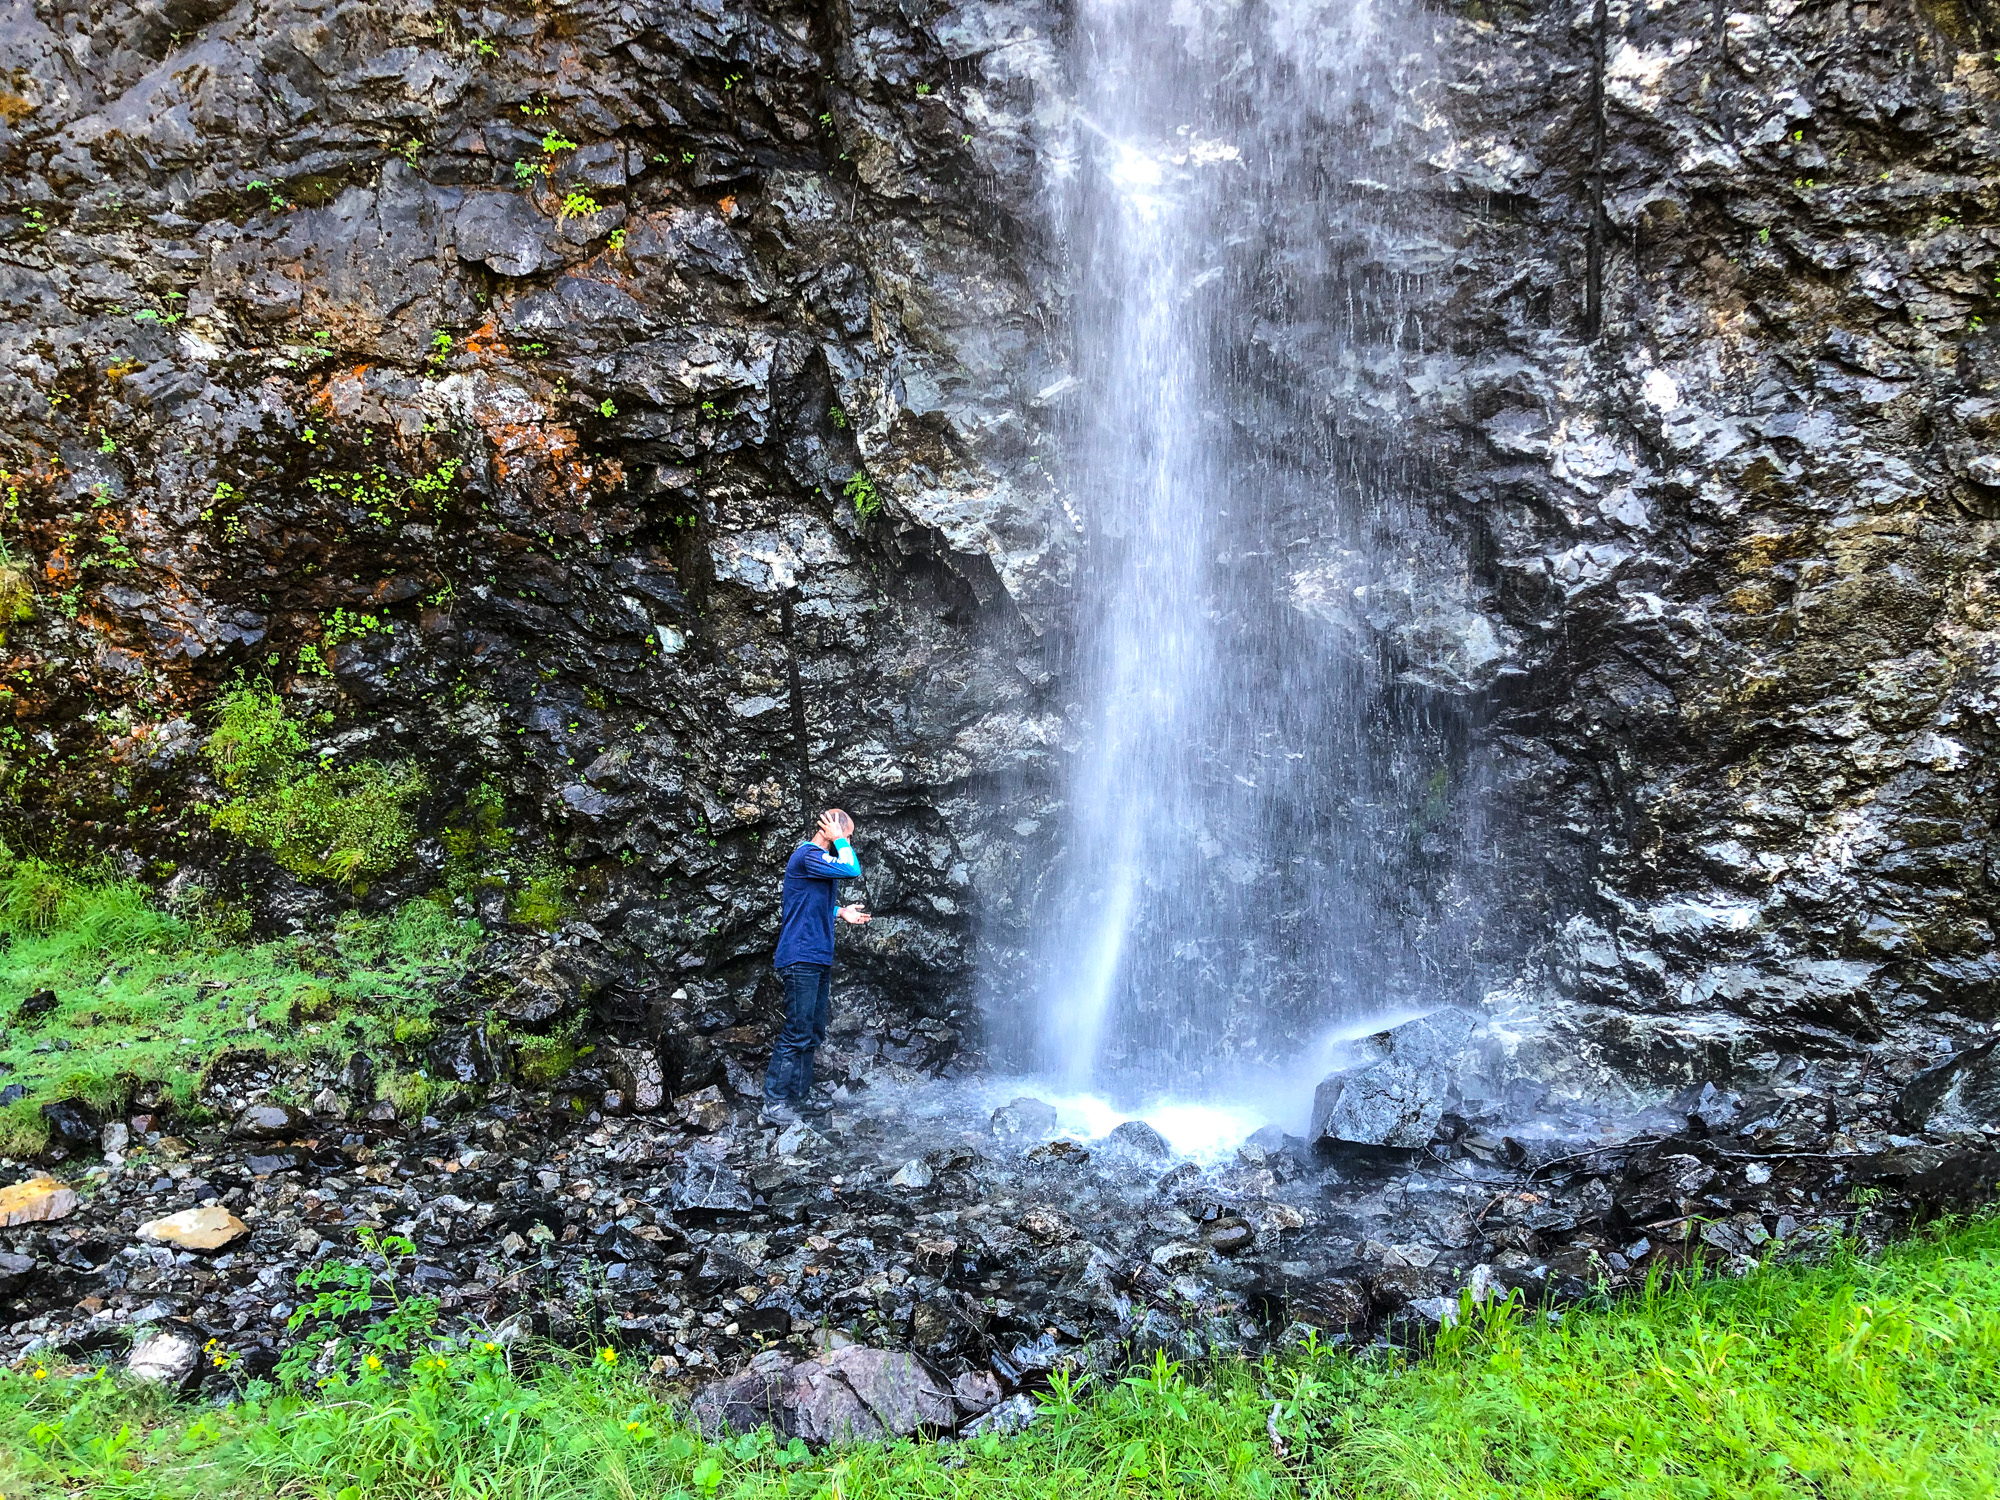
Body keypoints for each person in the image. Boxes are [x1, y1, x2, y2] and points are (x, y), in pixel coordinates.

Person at [763, 808, 871, 1120]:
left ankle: (799, 1096)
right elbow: (851, 869)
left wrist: (840, 912)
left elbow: (808, 901)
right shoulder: (807, 855)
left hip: (817, 955)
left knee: (812, 1031)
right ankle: (774, 1103)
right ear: (830, 830)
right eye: (846, 835)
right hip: (800, 955)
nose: (847, 841)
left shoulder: (816, 864)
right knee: (797, 1030)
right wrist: (840, 841)